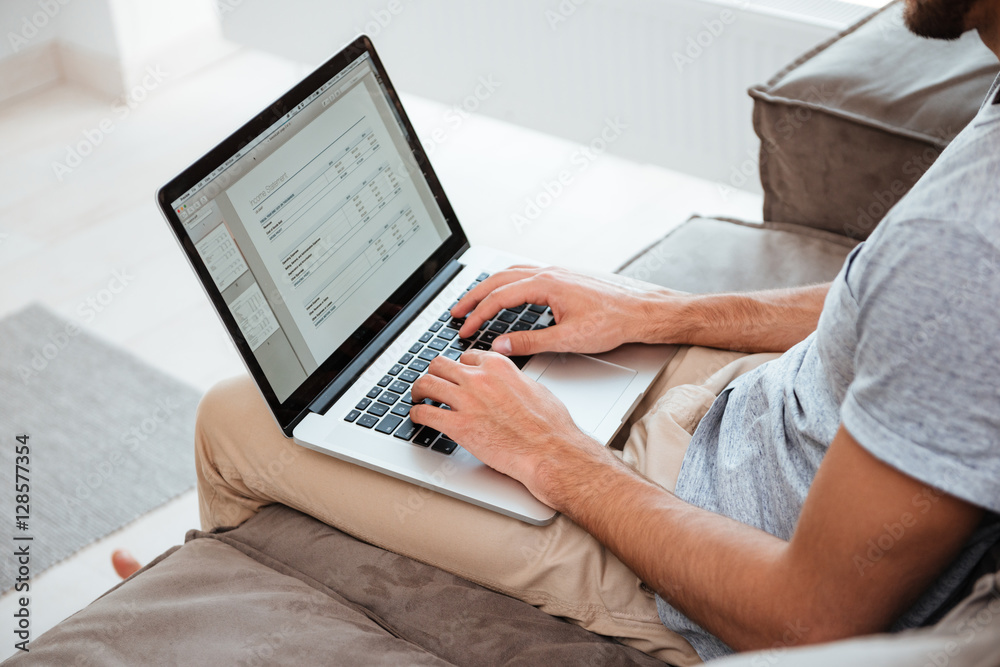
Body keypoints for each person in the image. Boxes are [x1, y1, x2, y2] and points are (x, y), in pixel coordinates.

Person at [192, 0, 1000, 662]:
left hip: (710, 535)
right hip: (753, 409)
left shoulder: (964, 244)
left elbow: (807, 623)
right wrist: (665, 314)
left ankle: (209, 605)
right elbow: (890, 301)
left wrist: (553, 452)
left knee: (233, 418)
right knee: (505, 320)